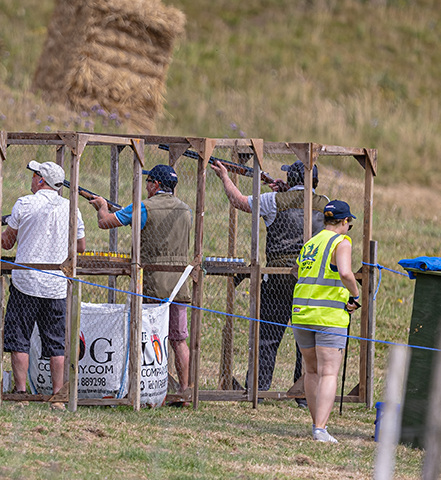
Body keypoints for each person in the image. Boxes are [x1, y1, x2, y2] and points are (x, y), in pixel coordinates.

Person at [211, 159, 328, 393]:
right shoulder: (325, 204)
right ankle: (304, 393)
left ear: (291, 179)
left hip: (277, 277)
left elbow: (239, 201)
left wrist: (225, 176)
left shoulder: (272, 200)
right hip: (311, 279)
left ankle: (259, 390)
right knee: (306, 340)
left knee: (267, 338)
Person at [0, 161, 85, 398]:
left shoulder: (24, 203)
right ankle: (58, 395)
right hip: (56, 285)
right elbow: (80, 246)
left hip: (25, 283)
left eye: (34, 175)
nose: (32, 179)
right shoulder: (71, 208)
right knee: (56, 344)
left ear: (40, 180)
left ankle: (21, 392)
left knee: (19, 340)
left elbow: (7, 242)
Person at [89, 163, 193, 399]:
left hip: (152, 283)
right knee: (179, 340)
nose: (146, 186)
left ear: (155, 184)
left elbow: (105, 222)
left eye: (149, 182)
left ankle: (144, 388)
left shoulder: (144, 207)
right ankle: (184, 392)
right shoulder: (186, 210)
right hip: (179, 285)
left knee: (146, 337)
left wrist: (102, 206)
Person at [290, 199, 362, 442]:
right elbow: (344, 272)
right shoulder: (341, 242)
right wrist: (355, 294)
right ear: (344, 222)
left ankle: (316, 423)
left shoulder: (311, 243)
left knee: (311, 371)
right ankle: (320, 428)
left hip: (301, 313)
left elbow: (298, 271)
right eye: (349, 224)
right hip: (328, 315)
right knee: (329, 373)